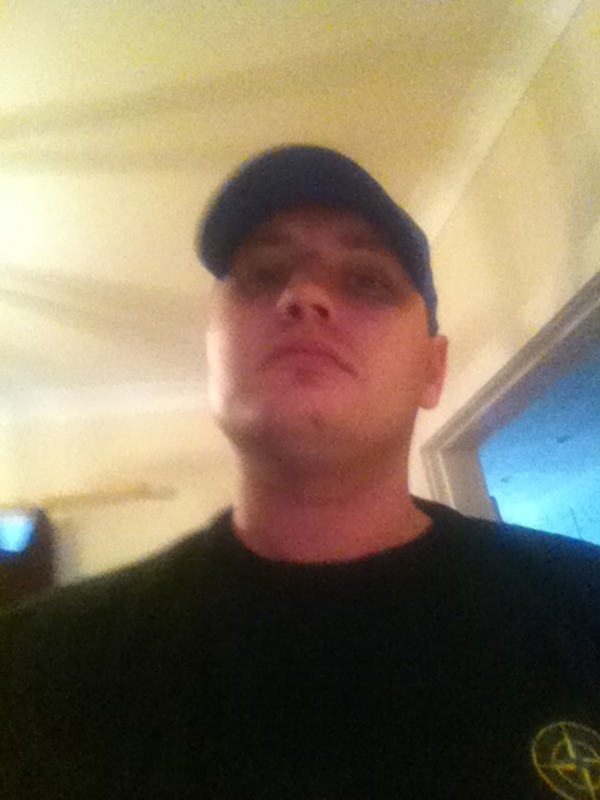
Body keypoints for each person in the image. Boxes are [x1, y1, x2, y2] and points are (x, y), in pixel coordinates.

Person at [1, 145, 599, 800]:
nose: (303, 295)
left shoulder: (585, 605)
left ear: (433, 370)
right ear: (213, 348)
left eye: (367, 281)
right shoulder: (33, 672)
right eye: (263, 274)